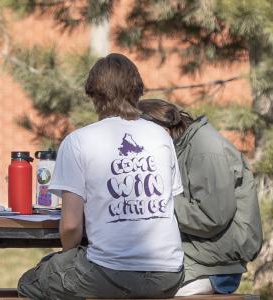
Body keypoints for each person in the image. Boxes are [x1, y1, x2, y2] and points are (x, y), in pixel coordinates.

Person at [17, 53, 185, 299]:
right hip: (169, 274)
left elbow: (72, 226)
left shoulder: (78, 141)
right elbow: (171, 205)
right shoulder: (161, 136)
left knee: (30, 283)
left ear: (94, 95)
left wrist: (68, 257)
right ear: (137, 91)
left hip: (111, 271)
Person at [137, 99, 263, 296]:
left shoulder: (205, 149)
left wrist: (156, 202)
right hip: (201, 258)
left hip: (216, 267)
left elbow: (211, 217)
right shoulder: (182, 147)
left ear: (161, 128)